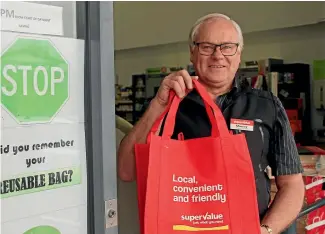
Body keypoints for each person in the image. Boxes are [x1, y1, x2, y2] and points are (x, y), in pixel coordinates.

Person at [118, 13, 305, 234]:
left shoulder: (267, 105)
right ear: (192, 52)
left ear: (239, 53)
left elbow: (292, 184)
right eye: (207, 46)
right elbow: (126, 171)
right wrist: (159, 104)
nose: (218, 55)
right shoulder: (168, 104)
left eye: (227, 47)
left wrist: (265, 230)